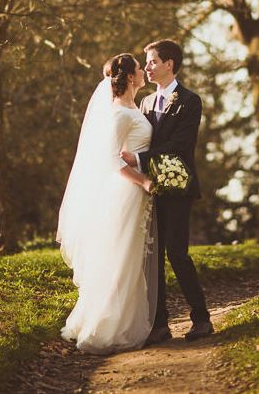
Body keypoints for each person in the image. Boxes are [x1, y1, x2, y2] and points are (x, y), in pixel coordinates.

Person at [56, 54, 156, 354]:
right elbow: (111, 159)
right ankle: (106, 327)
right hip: (126, 192)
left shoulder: (134, 107)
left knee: (131, 257)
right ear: (128, 77)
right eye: (139, 68)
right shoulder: (119, 114)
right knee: (121, 258)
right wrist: (144, 182)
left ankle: (122, 320)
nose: (143, 71)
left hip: (134, 192)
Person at [121, 39, 213, 344]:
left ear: (169, 63)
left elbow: (181, 146)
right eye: (146, 63)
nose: (146, 68)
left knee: (176, 252)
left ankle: (201, 319)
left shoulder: (190, 101)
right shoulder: (145, 104)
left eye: (152, 62)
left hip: (178, 188)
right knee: (153, 257)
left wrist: (141, 159)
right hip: (148, 191)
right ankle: (159, 325)